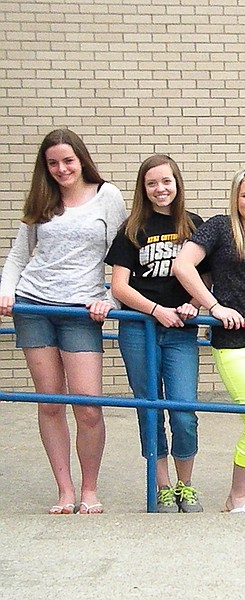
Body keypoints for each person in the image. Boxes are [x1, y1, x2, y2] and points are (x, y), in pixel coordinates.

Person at [0, 129, 126, 515]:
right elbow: (20, 255)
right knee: (50, 402)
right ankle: (65, 490)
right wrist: (7, 290)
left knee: (87, 406)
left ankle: (90, 489)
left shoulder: (108, 196)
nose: (61, 169)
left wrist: (108, 299)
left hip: (81, 310)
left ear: (81, 160)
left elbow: (123, 256)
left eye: (68, 161)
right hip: (34, 304)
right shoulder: (42, 198)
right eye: (52, 163)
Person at [173, 164, 245, 514]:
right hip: (234, 341)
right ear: (235, 197)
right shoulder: (220, 228)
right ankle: (235, 498)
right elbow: (183, 266)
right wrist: (214, 306)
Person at [105, 154, 206, 513]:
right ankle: (162, 486)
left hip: (181, 331)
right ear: (143, 189)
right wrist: (155, 310)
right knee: (150, 410)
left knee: (182, 410)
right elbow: (119, 285)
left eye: (166, 181)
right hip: (140, 329)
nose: (160, 189)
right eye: (152, 183)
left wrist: (195, 302)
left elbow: (206, 277)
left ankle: (186, 485)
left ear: (177, 184)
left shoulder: (194, 226)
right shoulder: (132, 228)